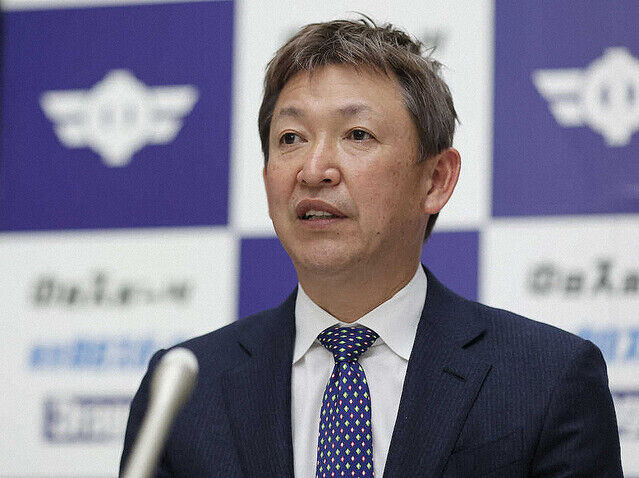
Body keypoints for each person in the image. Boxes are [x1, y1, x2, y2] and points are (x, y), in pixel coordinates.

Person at [120, 18, 623, 477]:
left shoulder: (546, 379)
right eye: (290, 138)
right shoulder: (183, 392)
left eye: (357, 134)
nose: (314, 170)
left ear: (436, 179)